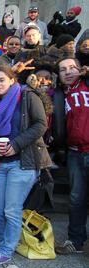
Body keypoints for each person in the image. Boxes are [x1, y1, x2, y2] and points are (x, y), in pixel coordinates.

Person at [0, 65, 52, 265]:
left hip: (23, 162)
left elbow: (41, 124)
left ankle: (6, 249)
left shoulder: (27, 96)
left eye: (2, 80)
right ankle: (2, 243)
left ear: (12, 80)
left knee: (11, 209)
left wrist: (16, 145)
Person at [53, 57, 89, 254]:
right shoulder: (60, 95)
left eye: (71, 68)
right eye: (62, 70)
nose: (67, 72)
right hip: (75, 153)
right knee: (76, 198)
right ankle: (75, 240)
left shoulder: (86, 85)